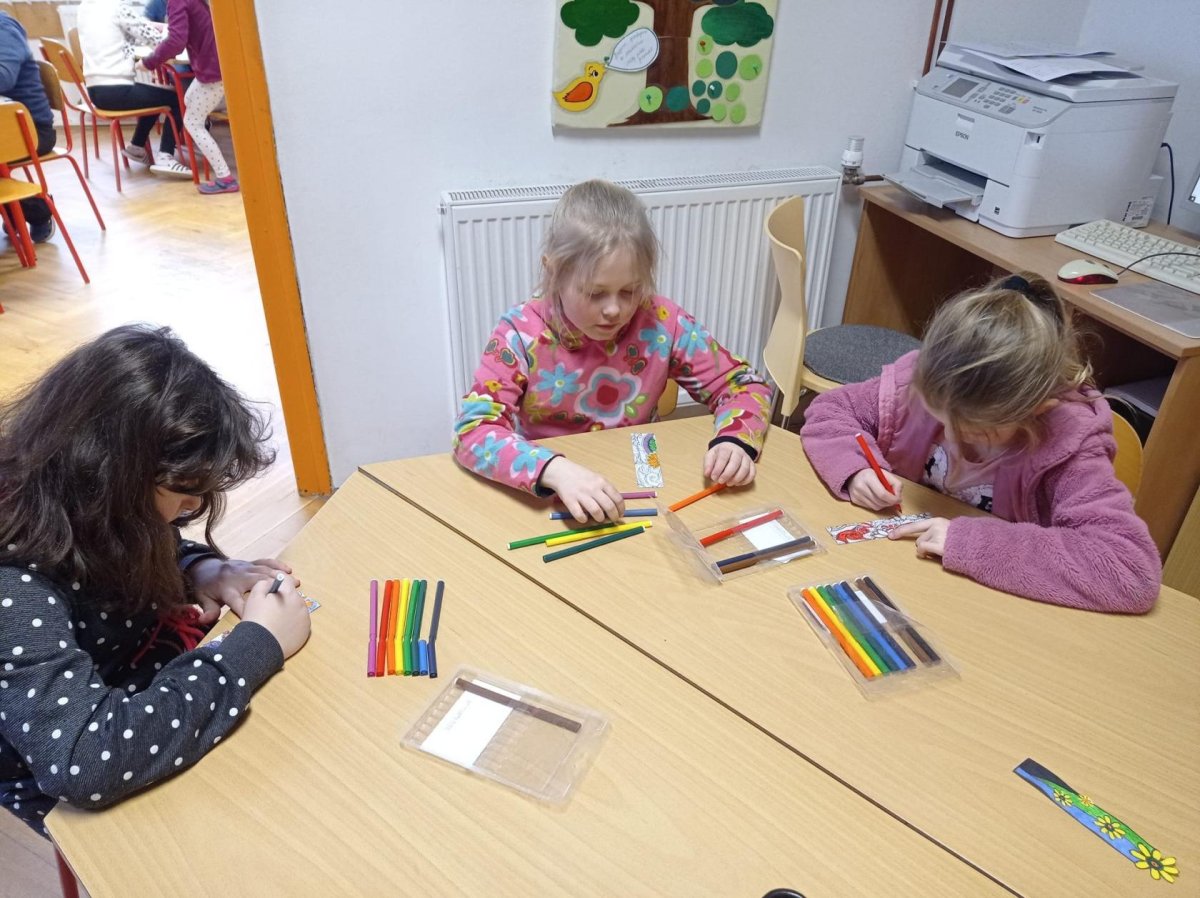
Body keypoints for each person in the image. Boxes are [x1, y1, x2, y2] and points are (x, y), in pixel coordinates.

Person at [0, 325, 311, 835]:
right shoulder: (14, 588)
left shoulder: (90, 505)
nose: (194, 506)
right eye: (184, 489)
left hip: (130, 681)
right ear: (102, 472)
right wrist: (255, 646)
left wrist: (198, 568)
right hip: (66, 765)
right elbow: (84, 762)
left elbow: (141, 537)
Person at [800, 272, 1161, 613]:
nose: (951, 437)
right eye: (939, 418)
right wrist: (856, 469)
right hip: (903, 579)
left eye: (976, 431)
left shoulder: (1067, 440)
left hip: (990, 608)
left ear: (1036, 409)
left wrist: (970, 543)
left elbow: (1129, 570)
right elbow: (832, 410)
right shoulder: (927, 379)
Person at [452, 179, 773, 524]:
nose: (614, 310)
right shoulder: (519, 333)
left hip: (641, 474)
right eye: (595, 293)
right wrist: (554, 471)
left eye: (630, 291)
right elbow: (472, 432)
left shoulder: (662, 321)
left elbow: (745, 385)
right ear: (554, 272)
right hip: (554, 486)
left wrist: (735, 440)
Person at [76, 0, 190, 177]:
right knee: (178, 99)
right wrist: (168, 30)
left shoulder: (85, 8)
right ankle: (165, 157)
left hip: (95, 91)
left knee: (155, 93)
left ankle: (137, 146)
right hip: (117, 90)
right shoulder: (117, 9)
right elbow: (158, 41)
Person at [141, 0, 237, 194]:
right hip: (213, 69)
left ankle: (225, 178)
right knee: (188, 101)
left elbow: (176, 41)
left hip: (212, 73)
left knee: (192, 123)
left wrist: (148, 63)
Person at [0, 12, 56, 243]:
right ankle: (15, 208)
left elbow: (4, 77)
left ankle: (36, 209)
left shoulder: (4, 28)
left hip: (32, 131)